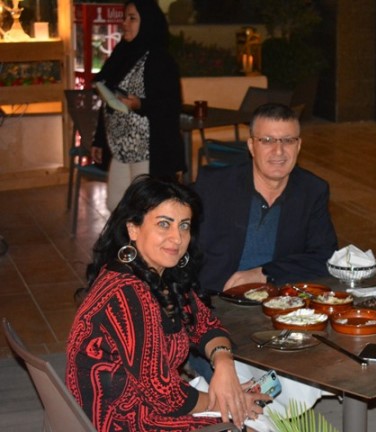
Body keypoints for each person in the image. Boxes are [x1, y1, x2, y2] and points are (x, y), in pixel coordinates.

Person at [65, 175, 269, 431]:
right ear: (133, 228)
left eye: (184, 226)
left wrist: (223, 362)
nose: (177, 238)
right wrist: (226, 401)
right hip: (122, 421)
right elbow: (163, 395)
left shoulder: (162, 275)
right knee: (255, 424)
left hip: (148, 407)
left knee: (256, 414)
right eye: (164, 224)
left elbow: (205, 324)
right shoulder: (127, 293)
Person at [195, 103, 338, 294]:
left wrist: (264, 273)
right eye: (267, 140)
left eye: (288, 140)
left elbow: (325, 257)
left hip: (279, 299)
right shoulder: (214, 185)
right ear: (251, 146)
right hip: (215, 299)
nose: (278, 151)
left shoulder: (311, 190)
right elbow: (184, 248)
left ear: (298, 146)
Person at [91, 0, 185, 211]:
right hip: (120, 147)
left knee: (144, 209)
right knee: (116, 205)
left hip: (148, 150)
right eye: (124, 18)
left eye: (132, 18)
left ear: (147, 22)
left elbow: (170, 106)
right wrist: (99, 139)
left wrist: (140, 104)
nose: (125, 23)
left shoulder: (159, 60)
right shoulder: (121, 54)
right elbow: (108, 99)